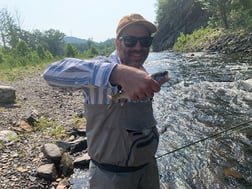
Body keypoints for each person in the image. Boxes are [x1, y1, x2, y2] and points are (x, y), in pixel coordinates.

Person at [43, 13, 168, 189]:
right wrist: (117, 73)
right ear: (117, 43)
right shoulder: (101, 68)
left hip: (148, 170)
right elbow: (50, 73)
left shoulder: (145, 74)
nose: (138, 47)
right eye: (131, 41)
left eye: (145, 41)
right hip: (110, 179)